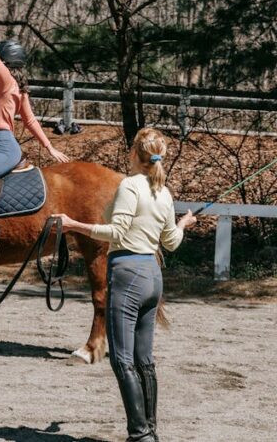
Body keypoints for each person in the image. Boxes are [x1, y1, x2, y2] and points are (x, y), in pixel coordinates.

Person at [53, 128, 196, 442]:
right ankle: (150, 432)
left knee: (122, 359)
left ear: (134, 154)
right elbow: (170, 242)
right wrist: (184, 223)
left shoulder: (129, 186)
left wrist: (73, 224)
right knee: (144, 359)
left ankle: (139, 433)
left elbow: (116, 232)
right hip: (151, 278)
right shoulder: (164, 192)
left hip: (128, 274)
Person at [0, 0, 70, 256]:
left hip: (2, 146)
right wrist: (49, 147)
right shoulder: (18, 88)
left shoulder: (5, 81)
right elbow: (31, 120)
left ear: (5, 62)